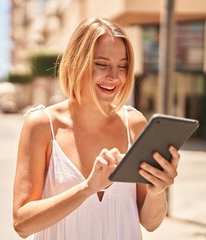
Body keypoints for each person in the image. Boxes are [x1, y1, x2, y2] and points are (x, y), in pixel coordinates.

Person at [13, 17, 180, 240]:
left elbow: (150, 223)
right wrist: (87, 188)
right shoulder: (42, 125)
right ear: (76, 62)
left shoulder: (135, 124)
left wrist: (157, 191)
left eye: (122, 66)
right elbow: (22, 224)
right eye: (101, 64)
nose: (114, 76)